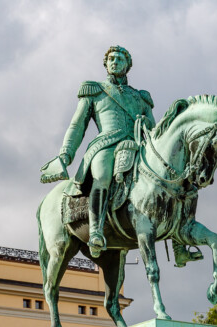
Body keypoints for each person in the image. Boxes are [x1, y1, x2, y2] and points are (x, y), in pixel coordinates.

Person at [59, 45, 155, 257]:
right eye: (111, 58)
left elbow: (155, 131)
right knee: (101, 175)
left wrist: (146, 121)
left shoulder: (141, 97)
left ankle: (177, 238)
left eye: (120, 59)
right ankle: (95, 231)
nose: (115, 61)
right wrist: (66, 153)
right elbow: (77, 126)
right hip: (106, 143)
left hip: (137, 144)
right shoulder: (95, 90)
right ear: (106, 64)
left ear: (128, 65)